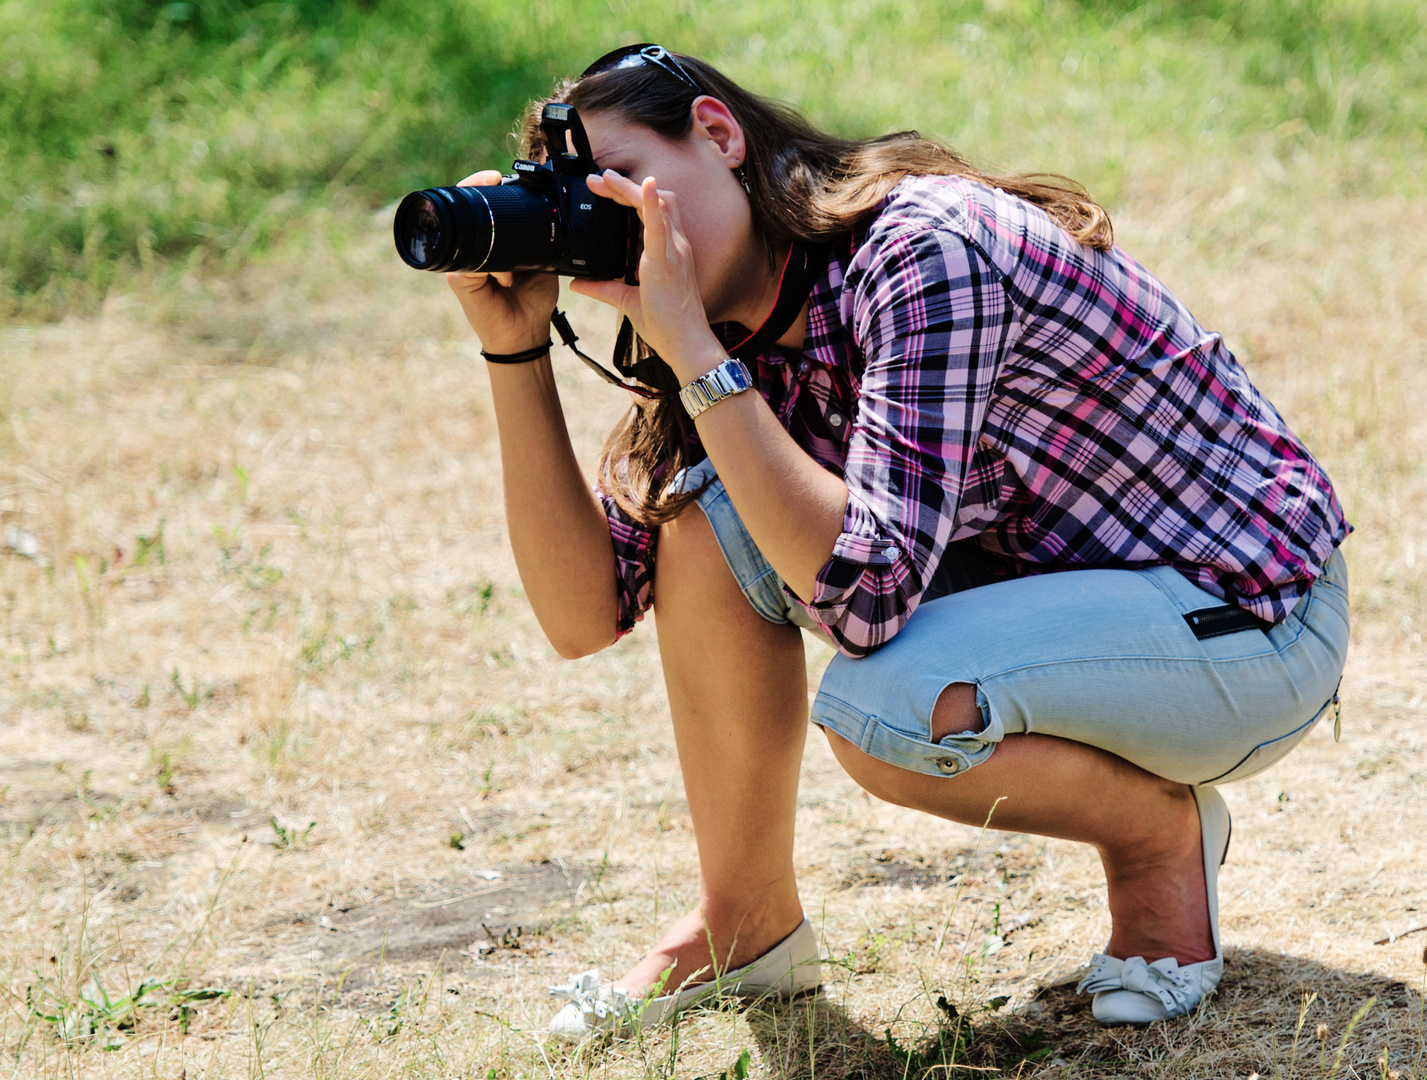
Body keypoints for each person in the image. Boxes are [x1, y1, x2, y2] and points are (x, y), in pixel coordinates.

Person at [443, 45, 1351, 1040]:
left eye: (628, 185)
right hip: (1056, 594)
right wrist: (513, 345)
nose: (625, 227)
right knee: (708, 518)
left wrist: (693, 353)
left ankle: (1157, 846)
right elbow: (580, 617)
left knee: (889, 709)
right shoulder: (732, 328)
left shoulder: (923, 250)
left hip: (1245, 619)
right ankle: (744, 924)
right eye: (590, 213)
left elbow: (867, 597)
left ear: (717, 133)